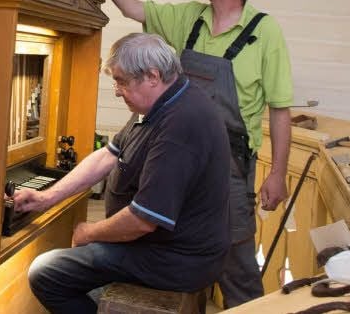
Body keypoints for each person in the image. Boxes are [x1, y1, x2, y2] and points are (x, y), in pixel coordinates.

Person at [99, 0, 294, 308]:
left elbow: (280, 110)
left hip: (229, 170)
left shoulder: (265, 32)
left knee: (236, 265)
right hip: (175, 158)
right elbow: (132, 7)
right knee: (173, 250)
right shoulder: (190, 18)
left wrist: (278, 173)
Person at [13, 33, 230, 314]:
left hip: (176, 259)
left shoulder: (182, 125)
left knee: (47, 272)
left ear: (152, 76)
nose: (116, 90)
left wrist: (90, 232)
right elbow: (108, 155)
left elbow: (142, 221)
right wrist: (46, 198)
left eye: (121, 81)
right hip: (161, 247)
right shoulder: (161, 100)